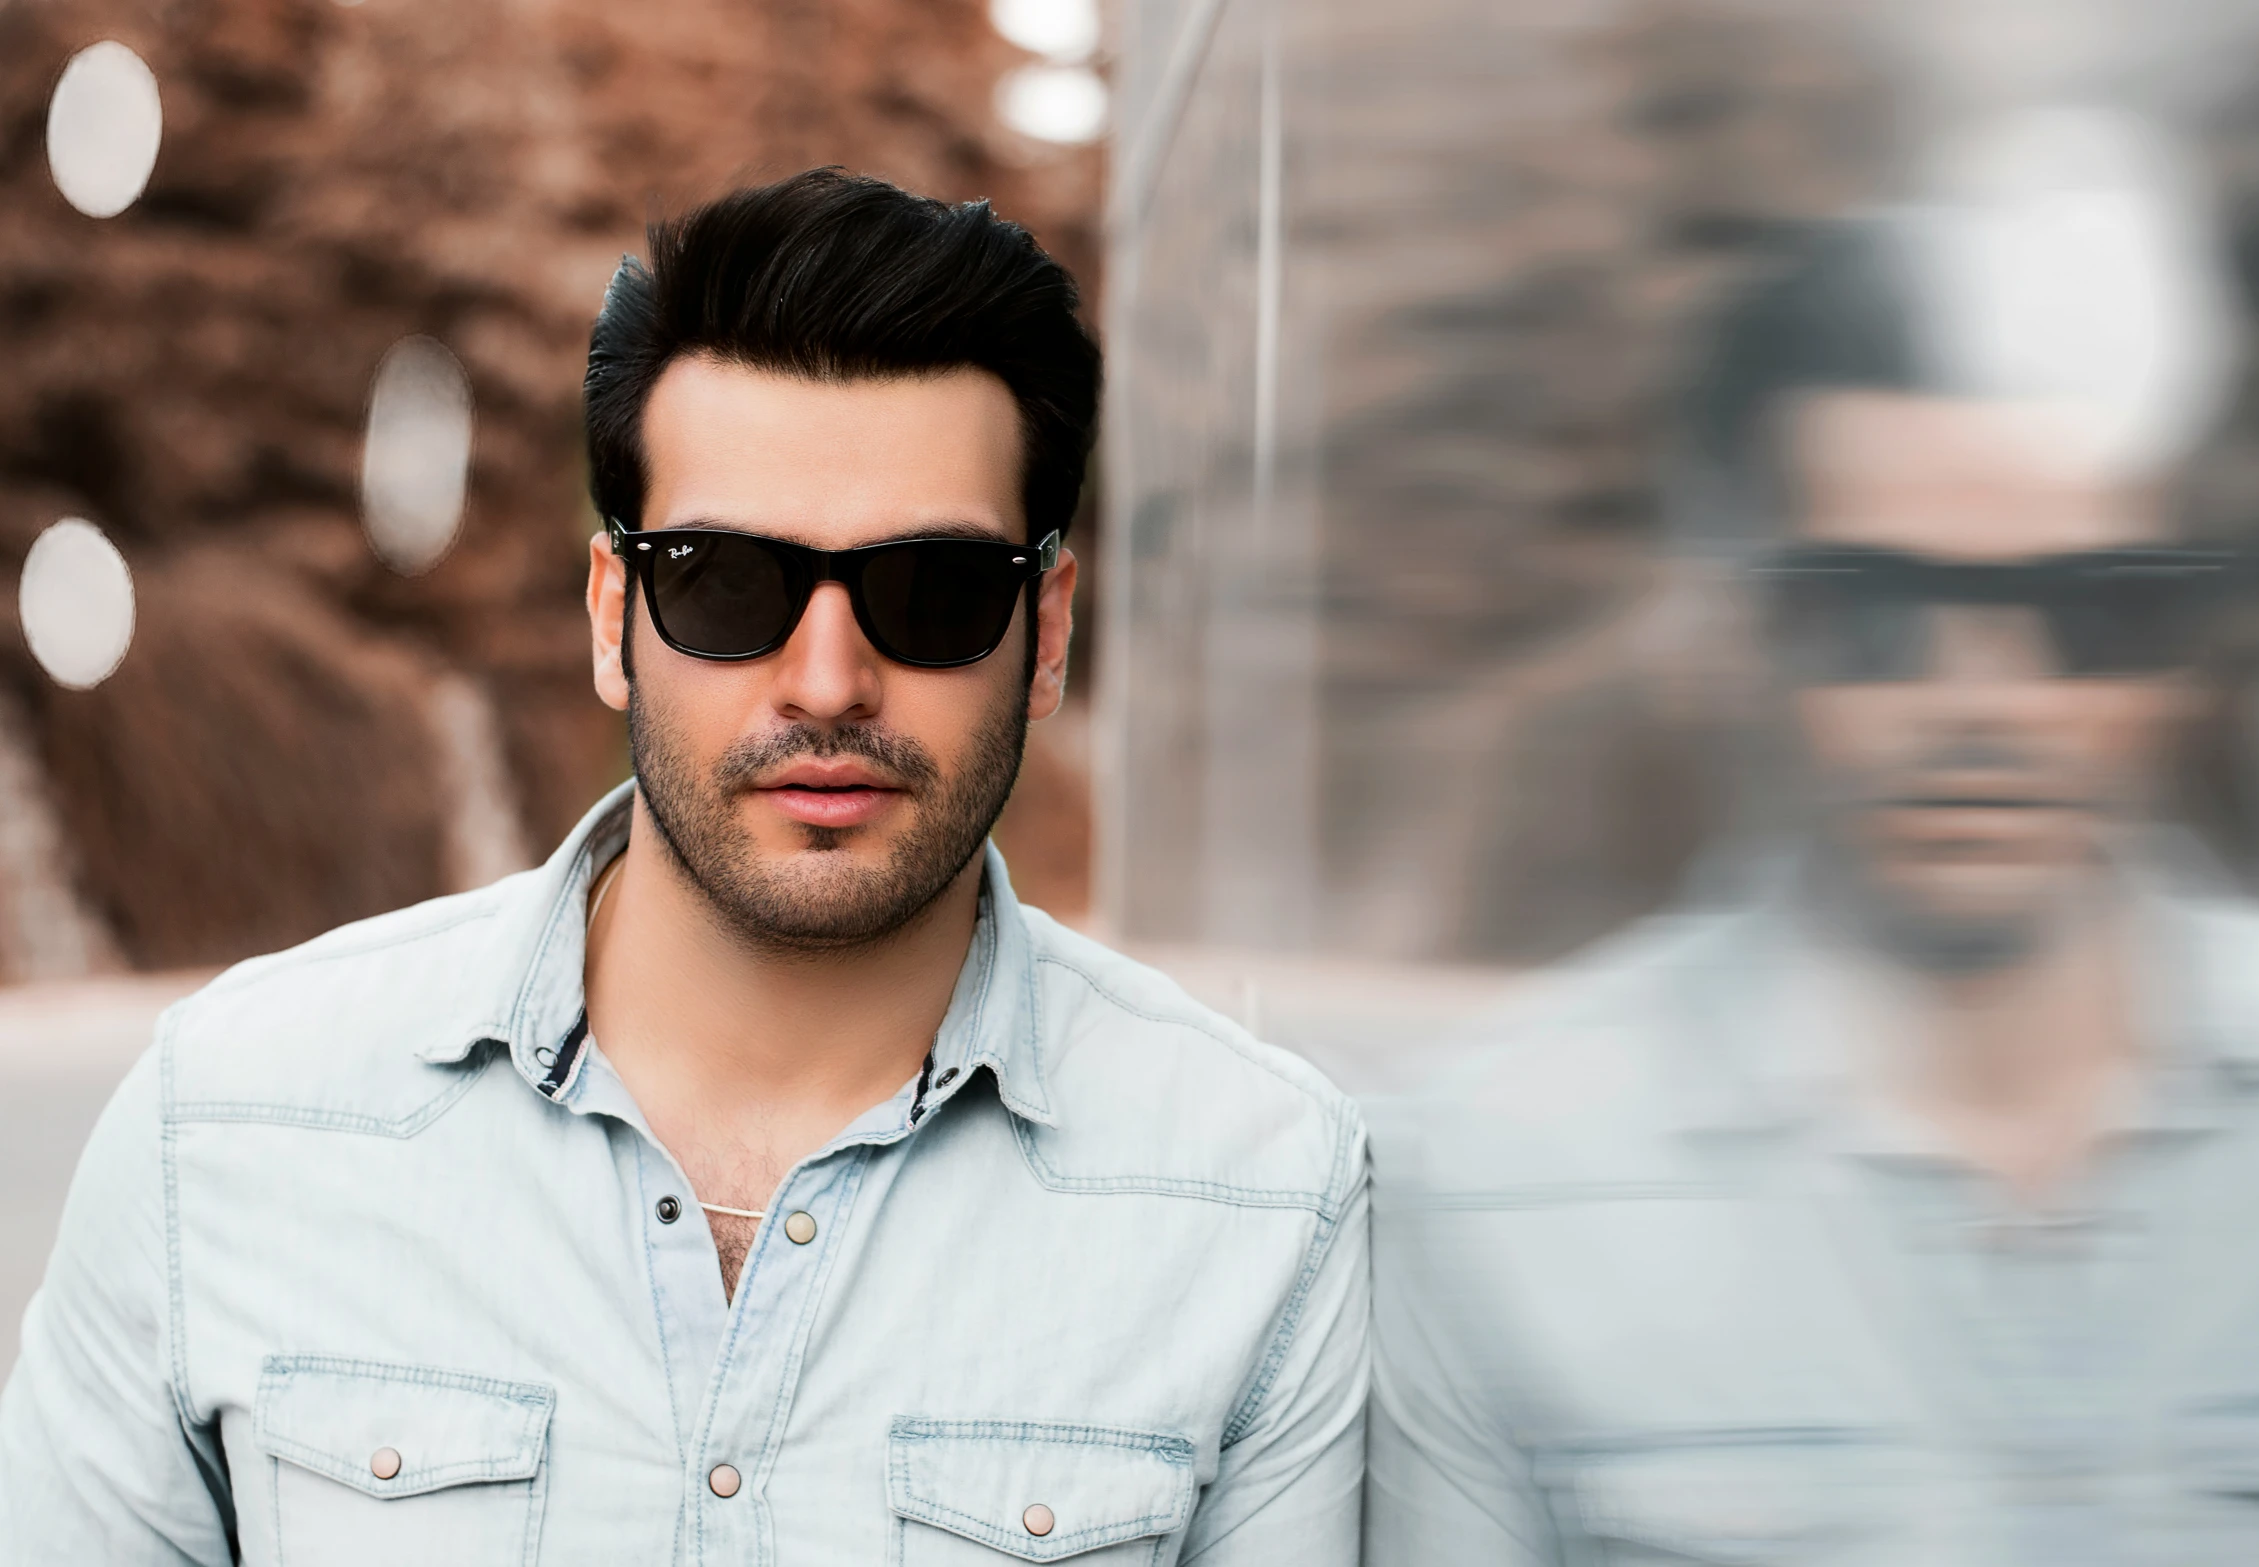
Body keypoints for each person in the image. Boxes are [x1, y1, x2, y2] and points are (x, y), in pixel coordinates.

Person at [0, 170, 1367, 1565]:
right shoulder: (227, 1123)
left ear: (1049, 630)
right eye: (725, 578)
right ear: (614, 617)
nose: (829, 681)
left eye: (934, 593)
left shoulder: (1254, 1195)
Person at [1366, 208, 2259, 1563]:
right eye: (1871, 607)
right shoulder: (1490, 1172)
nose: (1980, 699)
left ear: (2183, 643)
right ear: (1743, 629)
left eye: (2089, 609)